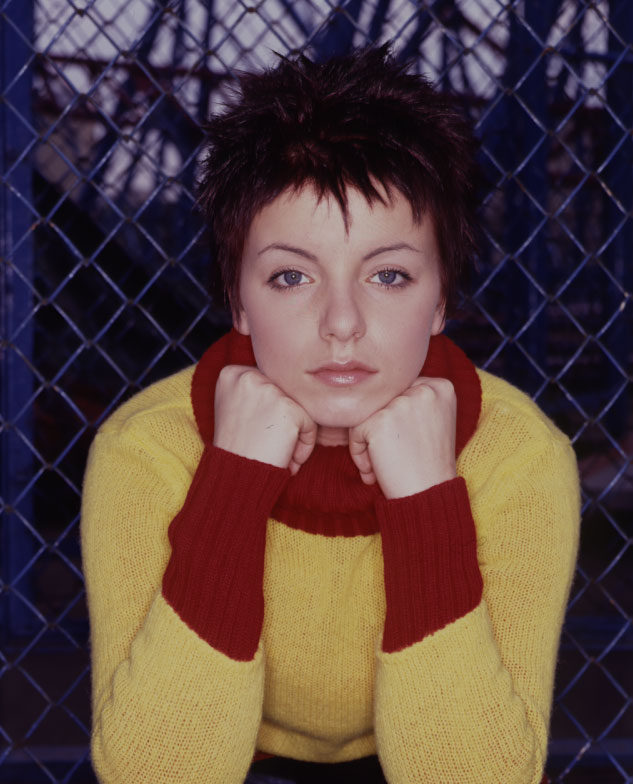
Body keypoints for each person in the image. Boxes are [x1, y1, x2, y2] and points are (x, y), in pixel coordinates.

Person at [81, 45, 580, 784]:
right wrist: (231, 484)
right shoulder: (146, 449)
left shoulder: (518, 459)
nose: (341, 322)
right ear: (238, 300)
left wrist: (426, 501)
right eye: (291, 276)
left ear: (440, 299)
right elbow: (154, 773)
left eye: (388, 275)